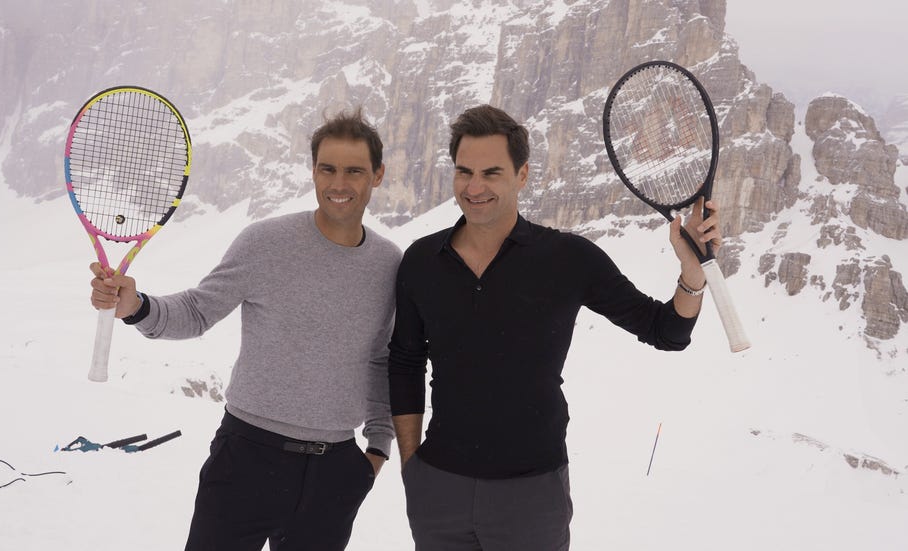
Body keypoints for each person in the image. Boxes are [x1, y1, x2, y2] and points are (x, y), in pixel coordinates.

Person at [388, 104, 723, 550]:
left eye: (491, 173)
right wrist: (413, 466)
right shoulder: (421, 260)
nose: (474, 187)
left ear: (521, 175)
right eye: (463, 171)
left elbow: (665, 331)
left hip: (532, 496)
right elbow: (406, 361)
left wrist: (692, 271)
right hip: (439, 491)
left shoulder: (567, 258)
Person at [88, 108, 400, 551]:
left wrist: (376, 452)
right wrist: (135, 307)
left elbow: (382, 359)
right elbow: (197, 311)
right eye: (327, 169)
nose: (338, 184)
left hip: (335, 473)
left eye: (354, 171)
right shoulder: (265, 242)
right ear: (313, 171)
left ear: (378, 175)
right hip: (248, 457)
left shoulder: (390, 265)